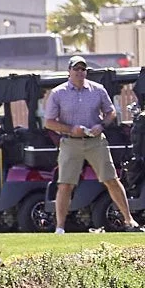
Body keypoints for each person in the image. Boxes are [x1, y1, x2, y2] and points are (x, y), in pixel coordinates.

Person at [46, 58, 140, 234]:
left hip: (96, 141)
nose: (79, 72)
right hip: (70, 142)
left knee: (111, 180)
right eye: (76, 69)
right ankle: (60, 227)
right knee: (65, 184)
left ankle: (129, 220)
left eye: (83, 69)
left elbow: (111, 112)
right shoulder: (58, 93)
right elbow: (49, 122)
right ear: (69, 71)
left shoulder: (97, 89)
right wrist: (71, 129)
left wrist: (101, 125)